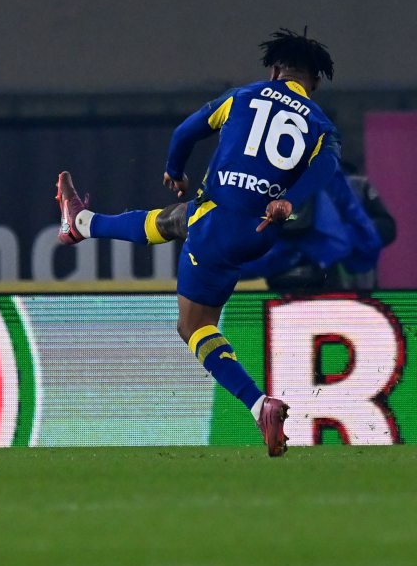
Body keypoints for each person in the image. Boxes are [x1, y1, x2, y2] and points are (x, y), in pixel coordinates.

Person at [55, 28, 341, 457]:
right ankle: (81, 222)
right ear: (314, 82)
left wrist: (175, 170)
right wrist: (288, 200)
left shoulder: (242, 96)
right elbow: (327, 169)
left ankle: (261, 405)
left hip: (219, 222)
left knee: (193, 325)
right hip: (259, 232)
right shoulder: (321, 125)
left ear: (275, 70)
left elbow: (185, 133)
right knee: (177, 221)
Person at [240, 161, 392, 291]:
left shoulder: (353, 185)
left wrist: (345, 232)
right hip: (280, 285)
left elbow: (387, 229)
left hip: (344, 288)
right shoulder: (264, 188)